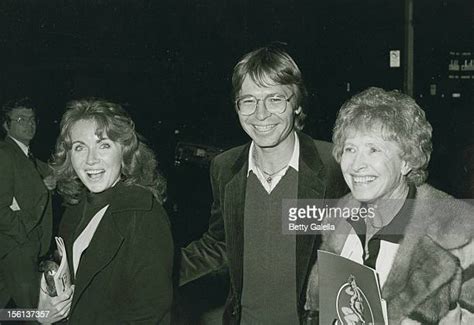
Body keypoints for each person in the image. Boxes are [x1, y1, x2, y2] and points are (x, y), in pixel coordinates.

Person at [180, 45, 347, 324]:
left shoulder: (334, 164)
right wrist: (151, 270)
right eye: (248, 101)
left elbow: (385, 232)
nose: (260, 114)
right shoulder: (225, 167)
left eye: (275, 99)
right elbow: (219, 244)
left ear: (297, 104)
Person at [305, 87, 474, 323]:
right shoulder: (337, 219)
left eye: (373, 149)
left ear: (406, 161)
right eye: (350, 149)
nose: (356, 165)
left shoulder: (459, 231)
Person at [38, 99, 174, 324]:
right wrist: (43, 313)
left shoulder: (144, 216)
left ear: (125, 151)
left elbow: (149, 316)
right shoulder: (76, 208)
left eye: (104, 145)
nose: (91, 160)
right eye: (80, 147)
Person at [0, 97, 54, 308]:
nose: (29, 124)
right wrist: (23, 235)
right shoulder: (5, 154)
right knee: (33, 313)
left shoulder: (27, 156)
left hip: (20, 247)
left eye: (32, 119)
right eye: (21, 119)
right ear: (6, 125)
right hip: (18, 247)